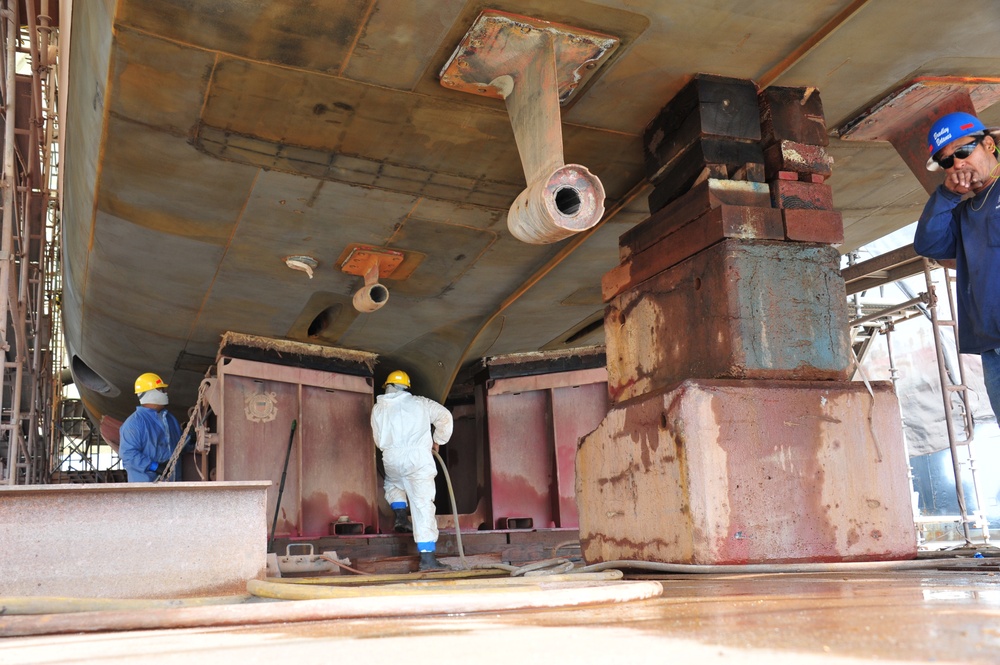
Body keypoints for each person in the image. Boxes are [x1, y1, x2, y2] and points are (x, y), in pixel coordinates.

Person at [914, 111, 1000, 419]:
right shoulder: (964, 213)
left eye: (963, 151)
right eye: (947, 161)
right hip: (993, 346)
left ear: (989, 145)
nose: (958, 164)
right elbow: (929, 244)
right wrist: (947, 196)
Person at [370, 369, 454, 571]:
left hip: (390, 456)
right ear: (406, 387)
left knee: (393, 483)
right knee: (422, 504)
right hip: (417, 457)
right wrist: (438, 440)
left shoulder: (377, 409)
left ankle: (400, 516)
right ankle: (427, 559)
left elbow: (377, 437)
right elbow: (445, 416)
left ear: (387, 387)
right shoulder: (420, 403)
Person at [119, 372, 183, 482]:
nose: (165, 393)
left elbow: (180, 444)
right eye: (161, 390)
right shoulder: (134, 424)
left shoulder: (169, 419)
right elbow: (128, 455)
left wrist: (192, 438)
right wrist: (155, 467)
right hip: (146, 487)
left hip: (172, 484)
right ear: (150, 393)